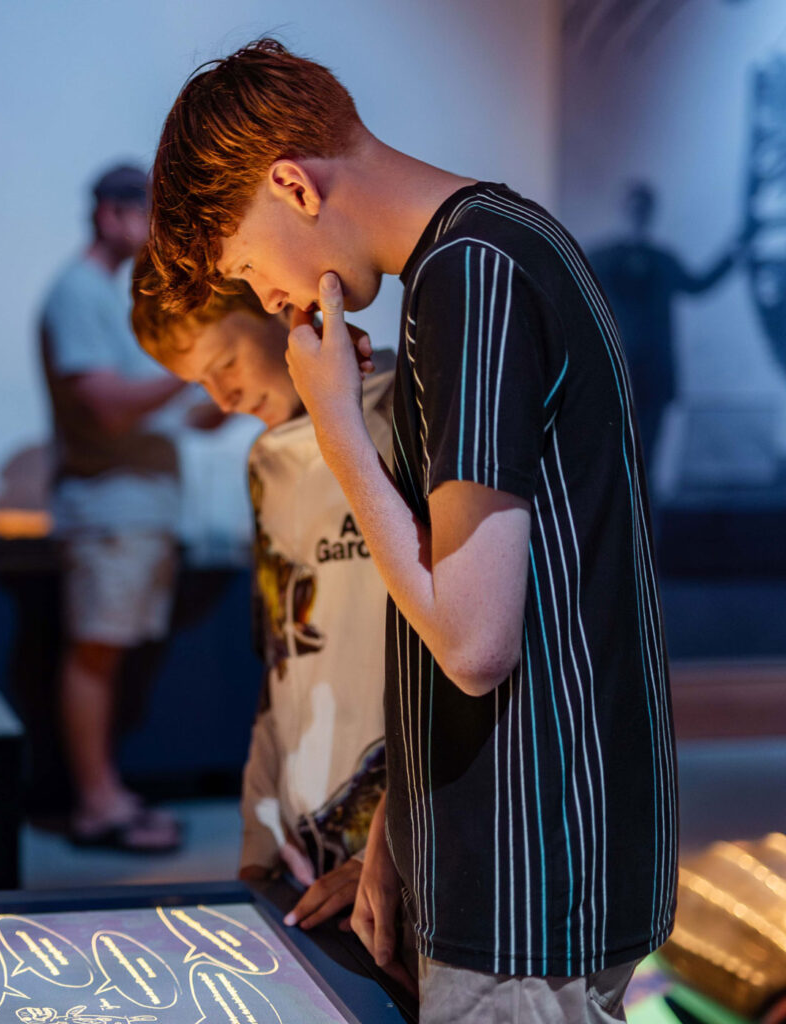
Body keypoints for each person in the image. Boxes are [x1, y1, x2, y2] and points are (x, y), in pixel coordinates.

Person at [147, 39, 677, 1022]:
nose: (272, 300)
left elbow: (474, 643)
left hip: (526, 869)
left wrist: (340, 425)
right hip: (515, 850)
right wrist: (398, 836)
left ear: (293, 186)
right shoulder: (493, 246)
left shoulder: (468, 276)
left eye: (254, 267)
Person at [131, 253, 394, 933]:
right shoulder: (267, 463)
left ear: (273, 304)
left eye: (223, 365)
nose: (221, 399)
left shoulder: (406, 417)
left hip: (409, 837)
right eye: (200, 384)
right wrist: (258, 831)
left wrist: (408, 845)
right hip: (307, 837)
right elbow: (279, 660)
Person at [40, 164, 185, 851]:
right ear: (111, 214)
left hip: (135, 510)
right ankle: (97, 804)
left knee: (109, 654)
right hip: (108, 509)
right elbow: (106, 404)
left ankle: (108, 792)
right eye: (148, 213)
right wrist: (194, 362)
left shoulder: (111, 293)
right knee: (94, 654)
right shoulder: (77, 293)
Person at [589, 181, 751, 472]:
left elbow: (698, 285)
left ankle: (642, 514)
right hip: (619, 370)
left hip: (651, 372)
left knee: (646, 456)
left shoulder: (657, 260)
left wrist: (732, 254)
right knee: (616, 455)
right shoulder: (604, 259)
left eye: (642, 209)